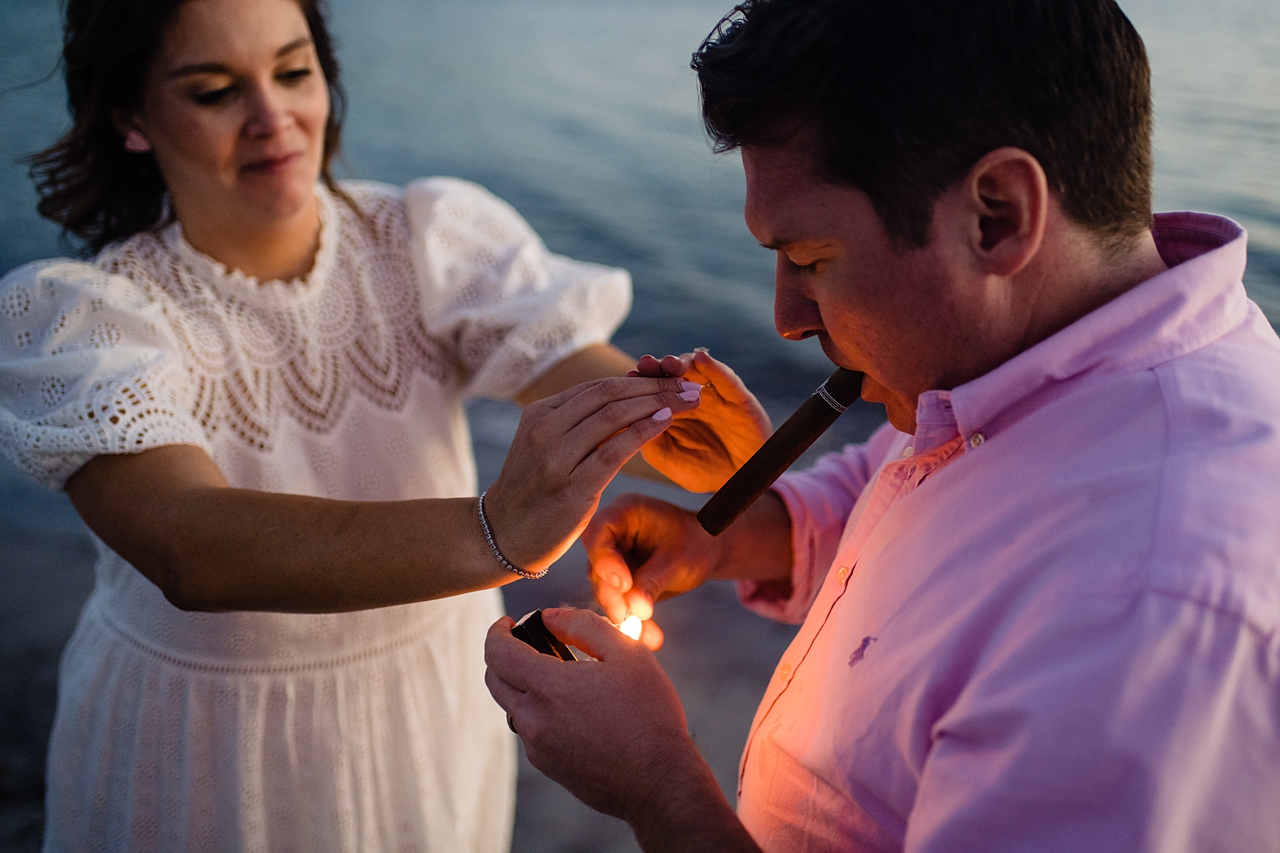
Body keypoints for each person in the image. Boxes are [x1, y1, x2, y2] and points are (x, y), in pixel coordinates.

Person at [482, 0, 1280, 850]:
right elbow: (915, 489)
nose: (787, 317)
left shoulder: (1142, 606)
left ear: (997, 215)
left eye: (813, 261)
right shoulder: (1021, 360)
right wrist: (738, 537)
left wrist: (658, 785)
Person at [0, 0, 769, 850]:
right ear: (130, 119)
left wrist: (691, 438)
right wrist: (496, 528)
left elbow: (596, 387)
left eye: (294, 71)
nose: (274, 116)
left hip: (426, 707)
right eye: (216, 91)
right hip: (209, 743)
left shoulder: (423, 240)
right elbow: (189, 546)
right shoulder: (89, 317)